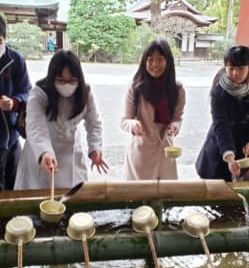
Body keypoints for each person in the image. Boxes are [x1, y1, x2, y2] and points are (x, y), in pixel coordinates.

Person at [14, 50, 108, 189]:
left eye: (71, 81)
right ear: (52, 78)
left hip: (71, 155)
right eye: (61, 80)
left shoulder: (85, 92)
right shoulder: (40, 92)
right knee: (38, 202)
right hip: (40, 153)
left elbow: (94, 123)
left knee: (72, 200)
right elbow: (35, 127)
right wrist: (44, 152)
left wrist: (95, 148)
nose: (66, 85)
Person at [195, 45, 249, 182]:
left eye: (241, 68)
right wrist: (229, 155)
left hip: (246, 143)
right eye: (231, 68)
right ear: (225, 67)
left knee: (237, 180)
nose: (235, 73)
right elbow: (220, 124)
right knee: (216, 179)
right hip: (222, 143)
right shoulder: (219, 92)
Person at [121, 39, 185, 180]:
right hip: (141, 153)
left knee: (163, 198)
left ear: (168, 61)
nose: (155, 64)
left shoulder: (177, 89)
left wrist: (175, 126)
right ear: (144, 62)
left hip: (165, 153)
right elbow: (124, 120)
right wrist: (133, 125)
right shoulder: (136, 88)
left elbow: (177, 118)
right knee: (139, 199)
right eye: (150, 60)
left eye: (160, 59)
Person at [0, 13, 32, 190]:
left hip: (11, 138)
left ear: (5, 37)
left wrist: (14, 102)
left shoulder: (16, 60)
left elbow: (27, 91)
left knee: (14, 186)